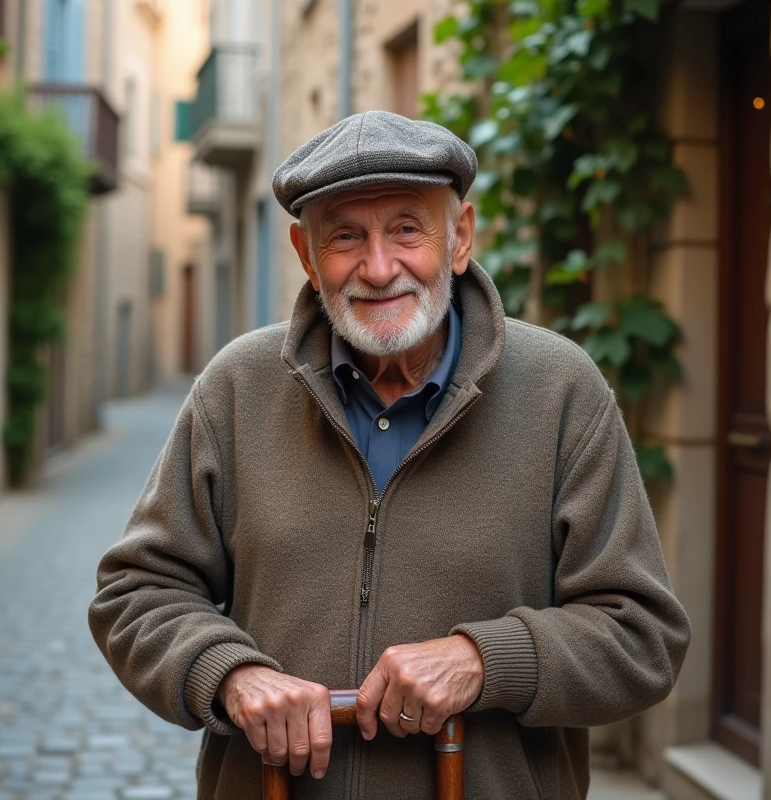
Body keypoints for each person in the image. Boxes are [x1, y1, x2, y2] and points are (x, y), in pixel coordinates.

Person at [88, 110, 691, 799]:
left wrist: (483, 660)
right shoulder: (236, 387)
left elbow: (642, 635)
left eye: (407, 229)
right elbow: (136, 593)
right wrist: (229, 673)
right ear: (306, 255)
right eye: (345, 236)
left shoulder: (561, 390)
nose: (378, 269)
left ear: (459, 237)